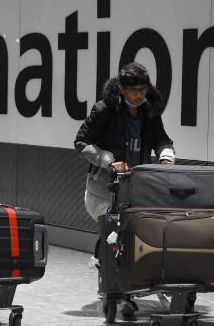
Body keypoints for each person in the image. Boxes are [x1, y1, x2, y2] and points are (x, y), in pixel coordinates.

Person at [74, 62, 175, 220]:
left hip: (138, 190)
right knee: (112, 239)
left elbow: (162, 140)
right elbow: (81, 142)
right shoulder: (104, 110)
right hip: (105, 192)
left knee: (135, 238)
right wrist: (108, 160)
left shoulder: (150, 111)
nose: (139, 95)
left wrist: (166, 157)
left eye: (143, 89)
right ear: (121, 89)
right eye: (133, 90)